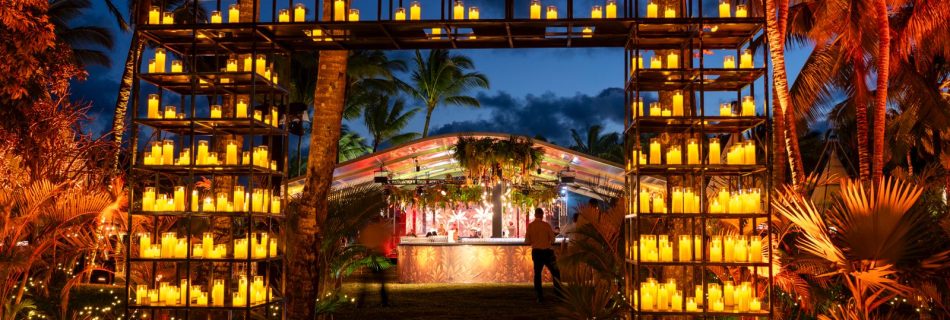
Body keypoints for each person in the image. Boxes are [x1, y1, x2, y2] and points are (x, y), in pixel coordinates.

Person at [524, 208, 562, 303]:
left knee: (537, 274)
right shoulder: (546, 225)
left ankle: (539, 296)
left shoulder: (530, 226)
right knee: (555, 272)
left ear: (535, 215)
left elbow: (527, 241)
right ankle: (558, 293)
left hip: (536, 252)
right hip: (547, 252)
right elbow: (553, 240)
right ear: (542, 215)